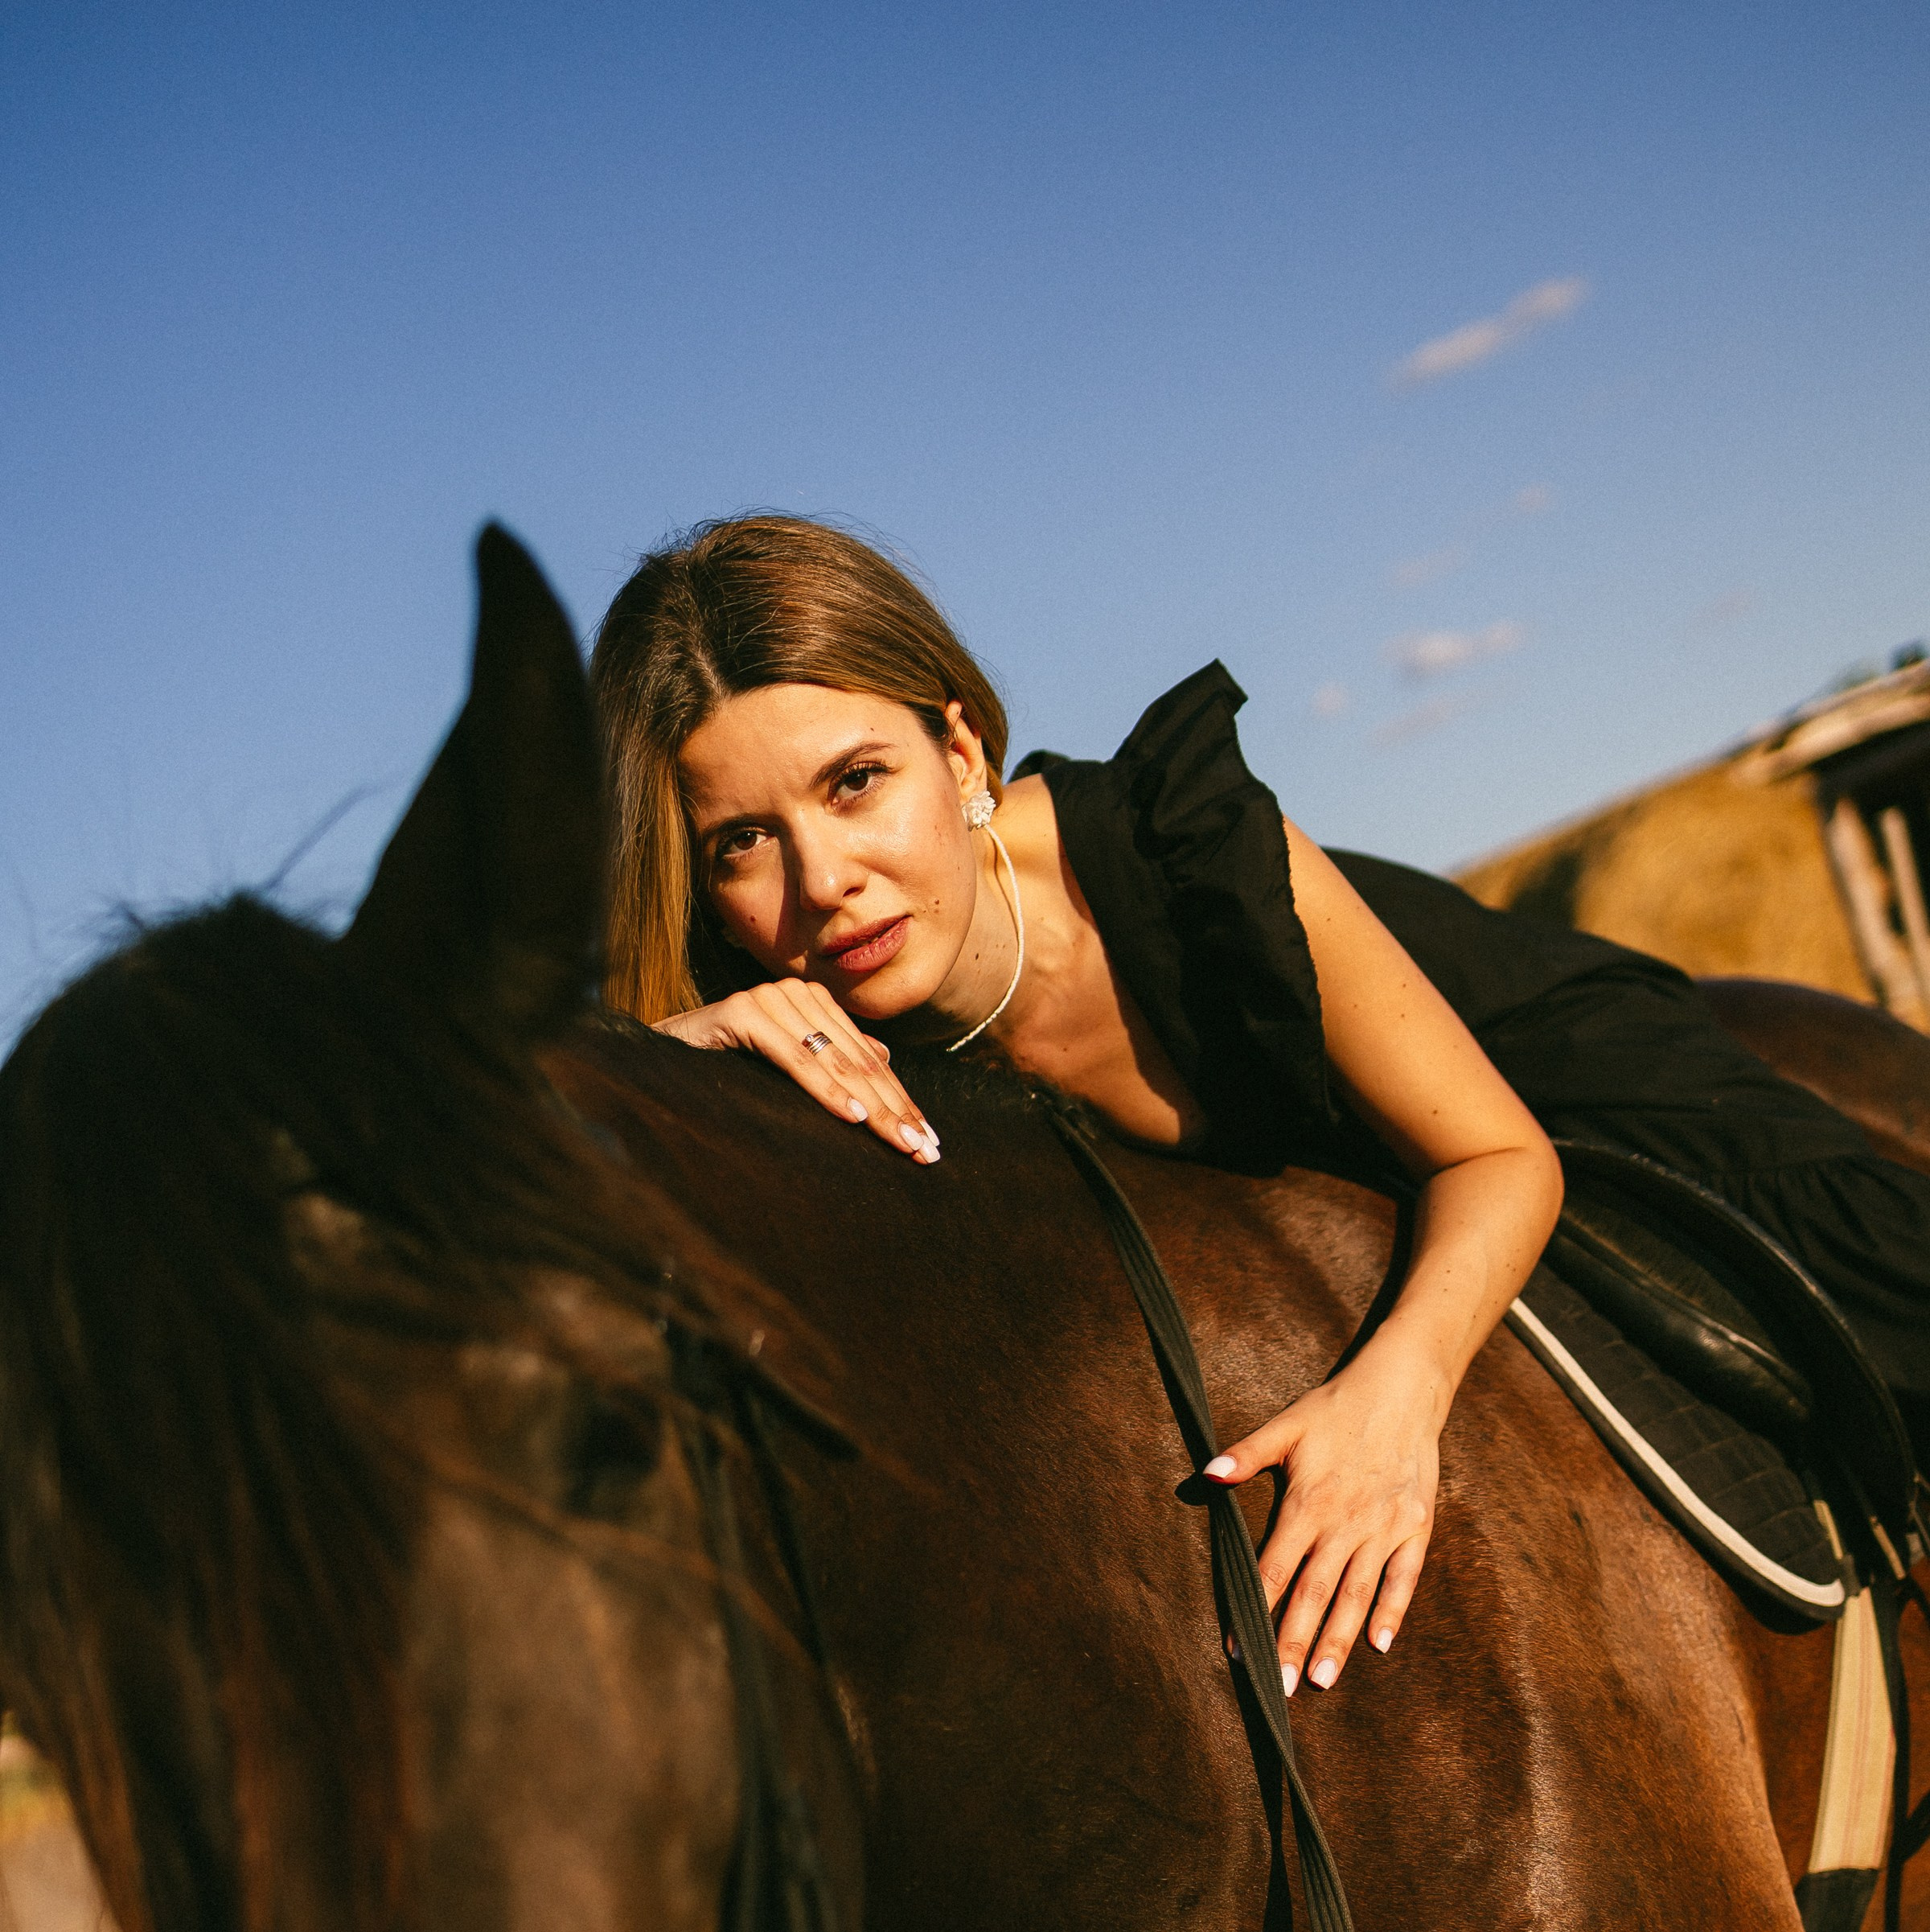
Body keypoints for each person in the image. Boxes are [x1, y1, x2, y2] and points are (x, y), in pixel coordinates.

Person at [589, 516, 1930, 1693]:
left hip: (1555, 1094)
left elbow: (1499, 1155)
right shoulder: (807, 1036)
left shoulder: (1193, 851)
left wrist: (1394, 1406)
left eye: (854, 781)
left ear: (960, 749)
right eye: (742, 845)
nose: (823, 880)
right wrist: (675, 1053)